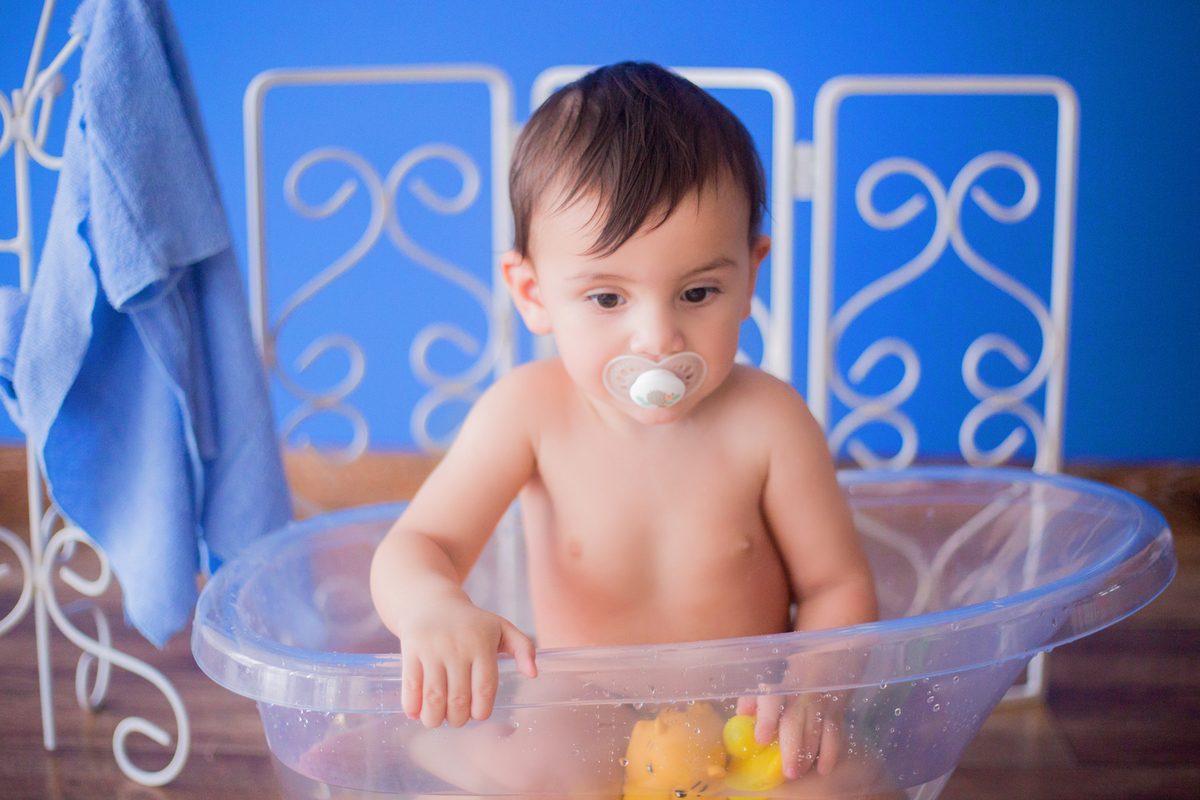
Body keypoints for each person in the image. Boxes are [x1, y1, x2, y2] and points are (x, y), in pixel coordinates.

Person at [369, 61, 878, 789]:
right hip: (590, 705)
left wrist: (814, 683)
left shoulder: (772, 422)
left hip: (745, 713)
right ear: (533, 292)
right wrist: (433, 608)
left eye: (698, 291)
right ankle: (434, 748)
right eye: (607, 298)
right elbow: (419, 544)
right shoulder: (529, 412)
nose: (658, 337)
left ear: (750, 276)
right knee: (546, 758)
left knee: (849, 784)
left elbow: (837, 584)